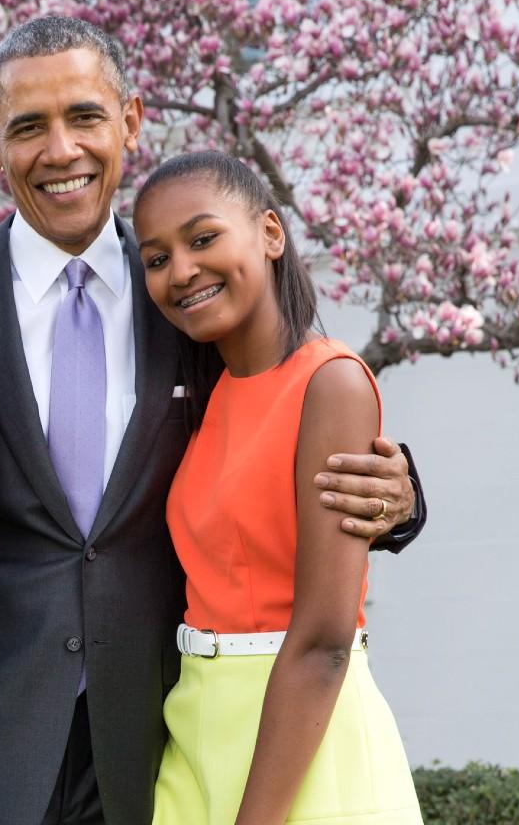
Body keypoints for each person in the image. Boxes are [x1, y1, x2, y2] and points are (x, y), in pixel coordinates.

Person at [0, 17, 427, 825]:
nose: (62, 150)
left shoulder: (193, 301)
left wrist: (398, 500)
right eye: (28, 127)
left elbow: (283, 412)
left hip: (157, 725)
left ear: (131, 121)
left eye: (84, 116)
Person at [133, 151, 421, 823]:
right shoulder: (207, 397)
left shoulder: (331, 382)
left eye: (203, 239)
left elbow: (323, 640)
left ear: (269, 233)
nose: (181, 271)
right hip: (196, 726)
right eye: (156, 258)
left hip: (302, 737)